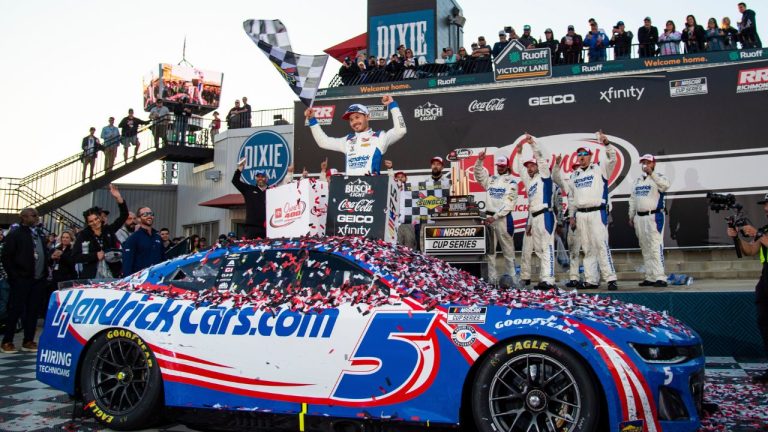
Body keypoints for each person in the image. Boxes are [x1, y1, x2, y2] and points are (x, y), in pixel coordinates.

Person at [554, 131, 618, 290]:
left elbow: (613, 159)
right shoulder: (575, 175)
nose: (581, 157)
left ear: (590, 157)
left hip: (597, 212)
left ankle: (611, 279)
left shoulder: (599, 169)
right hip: (581, 215)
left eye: (585, 154)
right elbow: (569, 194)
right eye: (579, 155)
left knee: (601, 245)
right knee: (587, 249)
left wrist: (606, 143)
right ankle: (591, 280)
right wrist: (572, 216)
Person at [305, 95, 405, 176]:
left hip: (373, 192)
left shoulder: (379, 137)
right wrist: (312, 120)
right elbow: (323, 142)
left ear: (367, 117)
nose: (354, 122)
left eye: (357, 117)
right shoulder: (347, 140)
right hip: (350, 193)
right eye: (351, 120)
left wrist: (392, 105)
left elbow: (400, 130)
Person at [725, 193, 768, 383]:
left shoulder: (762, 231)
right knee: (765, 323)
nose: (766, 209)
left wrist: (757, 233)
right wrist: (736, 237)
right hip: (766, 279)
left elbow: (761, 239)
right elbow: (751, 250)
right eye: (765, 205)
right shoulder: (766, 229)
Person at [0, 208, 47, 353]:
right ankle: (7, 341)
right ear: (23, 217)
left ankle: (28, 340)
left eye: (37, 215)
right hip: (21, 278)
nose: (36, 217)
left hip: (37, 279)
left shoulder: (38, 233)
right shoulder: (16, 234)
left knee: (32, 311)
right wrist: (14, 276)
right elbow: (6, 256)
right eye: (33, 215)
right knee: (15, 309)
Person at [516, 135, 557, 290]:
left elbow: (540, 158)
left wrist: (532, 144)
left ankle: (550, 280)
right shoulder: (530, 182)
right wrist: (519, 155)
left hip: (546, 214)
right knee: (539, 250)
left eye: (531, 166)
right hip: (535, 217)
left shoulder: (544, 176)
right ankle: (544, 278)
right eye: (528, 166)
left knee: (547, 247)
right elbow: (521, 171)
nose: (529, 168)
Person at [474, 151, 518, 285]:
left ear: (507, 166)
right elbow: (479, 175)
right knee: (490, 252)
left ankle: (513, 280)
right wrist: (480, 161)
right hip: (489, 218)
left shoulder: (512, 182)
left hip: (503, 219)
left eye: (502, 165)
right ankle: (492, 280)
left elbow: (509, 203)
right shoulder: (491, 179)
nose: (500, 168)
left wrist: (495, 216)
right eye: (498, 165)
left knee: (508, 251)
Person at [628, 154, 671, 287]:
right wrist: (631, 215)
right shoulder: (638, 181)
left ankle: (660, 277)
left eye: (648, 162)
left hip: (654, 216)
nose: (645, 164)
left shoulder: (659, 177)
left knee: (655, 246)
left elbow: (665, 186)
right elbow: (633, 199)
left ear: (653, 164)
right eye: (643, 162)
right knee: (645, 247)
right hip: (639, 217)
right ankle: (650, 276)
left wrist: (652, 174)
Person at [73, 185, 128, 279]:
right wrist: (94, 256)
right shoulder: (83, 235)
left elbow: (124, 215)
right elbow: (75, 257)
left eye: (96, 219)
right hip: (91, 276)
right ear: (87, 223)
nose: (95, 222)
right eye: (91, 221)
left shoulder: (108, 230)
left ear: (100, 218)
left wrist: (118, 198)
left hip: (113, 273)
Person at [122, 207, 164, 275]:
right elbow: (127, 264)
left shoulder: (158, 237)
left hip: (157, 278)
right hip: (140, 280)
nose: (149, 216)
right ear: (138, 219)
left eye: (151, 214)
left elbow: (163, 259)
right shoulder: (133, 238)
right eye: (145, 214)